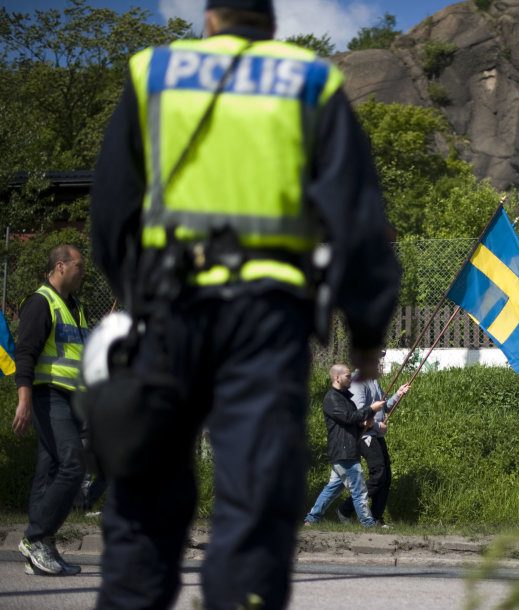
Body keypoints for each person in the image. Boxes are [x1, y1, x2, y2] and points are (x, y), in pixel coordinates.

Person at [89, 0, 400, 607]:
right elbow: (359, 223)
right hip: (266, 322)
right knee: (255, 511)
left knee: (144, 506)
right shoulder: (309, 81)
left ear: (210, 17)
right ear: (271, 21)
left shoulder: (152, 74)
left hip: (168, 313)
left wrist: (137, 299)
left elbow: (110, 212)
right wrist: (366, 333)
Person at [11, 244, 88, 576]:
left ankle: (41, 551)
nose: (83, 272)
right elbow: (25, 353)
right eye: (79, 266)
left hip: (72, 399)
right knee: (73, 463)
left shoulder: (76, 308)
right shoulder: (41, 302)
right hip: (48, 395)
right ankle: (35, 537)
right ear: (60, 266)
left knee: (52, 469)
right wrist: (24, 399)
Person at [304, 364, 386, 527]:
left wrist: (366, 424)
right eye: (348, 376)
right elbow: (348, 418)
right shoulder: (332, 398)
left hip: (346, 450)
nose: (351, 378)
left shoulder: (344, 398)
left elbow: (352, 422)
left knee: (333, 488)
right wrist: (370, 409)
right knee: (359, 489)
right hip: (343, 451)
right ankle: (368, 523)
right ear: (337, 377)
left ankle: (312, 519)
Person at [336, 359, 410, 525]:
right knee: (378, 476)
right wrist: (378, 426)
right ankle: (345, 509)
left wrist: (398, 394)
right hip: (365, 435)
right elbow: (360, 415)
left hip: (376, 435)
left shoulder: (373, 381)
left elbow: (384, 407)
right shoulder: (357, 382)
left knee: (386, 477)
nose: (379, 365)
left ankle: (376, 518)